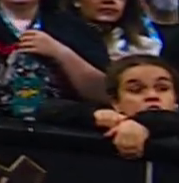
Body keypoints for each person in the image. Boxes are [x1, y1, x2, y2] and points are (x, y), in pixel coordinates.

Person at [39, 54, 179, 160]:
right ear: (115, 101)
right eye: (136, 90)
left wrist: (139, 124)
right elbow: (47, 109)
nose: (152, 95)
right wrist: (93, 115)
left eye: (163, 88)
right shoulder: (109, 120)